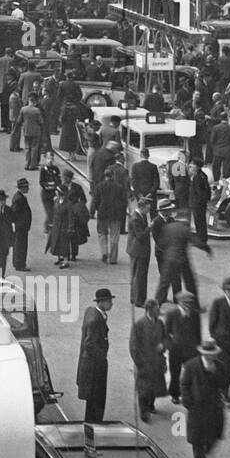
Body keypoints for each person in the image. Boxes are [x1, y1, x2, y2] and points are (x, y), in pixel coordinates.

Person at [180, 341, 226, 458]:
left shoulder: (220, 366)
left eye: (212, 355)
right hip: (197, 408)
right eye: (206, 354)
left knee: (214, 436)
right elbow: (184, 384)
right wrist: (188, 403)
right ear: (202, 353)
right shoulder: (191, 365)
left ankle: (206, 452)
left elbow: (223, 383)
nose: (209, 357)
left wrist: (215, 374)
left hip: (213, 407)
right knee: (197, 440)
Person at [77, 288, 113, 423]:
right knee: (97, 399)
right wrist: (102, 357)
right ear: (102, 302)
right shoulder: (95, 320)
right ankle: (94, 424)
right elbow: (90, 344)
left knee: (92, 400)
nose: (111, 304)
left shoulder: (91, 312)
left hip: (90, 365)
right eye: (109, 301)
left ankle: (91, 423)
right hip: (94, 367)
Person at [129, 299, 168, 422]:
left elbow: (166, 338)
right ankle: (144, 411)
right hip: (144, 362)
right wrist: (140, 363)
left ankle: (151, 405)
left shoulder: (160, 323)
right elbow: (133, 346)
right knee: (144, 389)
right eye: (157, 309)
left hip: (157, 361)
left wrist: (163, 345)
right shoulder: (139, 325)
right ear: (149, 310)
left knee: (155, 386)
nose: (159, 312)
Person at [165, 291, 202, 404]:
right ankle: (175, 394)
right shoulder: (172, 314)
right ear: (179, 303)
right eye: (185, 303)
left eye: (190, 303)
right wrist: (171, 346)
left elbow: (198, 333)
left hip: (191, 350)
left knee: (191, 374)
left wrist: (198, 349)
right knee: (175, 373)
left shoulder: (195, 315)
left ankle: (189, 394)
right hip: (176, 351)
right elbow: (166, 333)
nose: (188, 306)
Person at [89, 168, 128, 266]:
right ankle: (113, 258)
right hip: (115, 215)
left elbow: (94, 201)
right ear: (113, 175)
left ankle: (104, 252)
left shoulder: (99, 186)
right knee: (114, 237)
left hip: (102, 214)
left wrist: (92, 212)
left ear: (104, 175)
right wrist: (122, 213)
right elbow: (124, 202)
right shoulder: (119, 187)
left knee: (102, 234)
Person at [125, 197, 153, 308]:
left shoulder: (141, 215)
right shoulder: (136, 218)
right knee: (139, 276)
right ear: (141, 207)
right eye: (147, 209)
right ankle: (138, 300)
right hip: (138, 250)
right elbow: (140, 235)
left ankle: (136, 298)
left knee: (138, 275)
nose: (148, 211)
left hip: (138, 250)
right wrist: (149, 228)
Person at [10, 179, 33, 272]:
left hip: (21, 226)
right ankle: (20, 264)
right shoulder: (19, 198)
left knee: (19, 244)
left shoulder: (19, 196)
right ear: (22, 188)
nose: (28, 189)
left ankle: (18, 262)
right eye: (26, 187)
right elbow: (14, 212)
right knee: (21, 245)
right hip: (21, 226)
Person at [19, 96, 45, 170]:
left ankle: (27, 163)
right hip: (36, 132)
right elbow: (41, 121)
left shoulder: (23, 109)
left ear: (29, 101)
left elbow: (19, 120)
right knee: (34, 148)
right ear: (34, 102)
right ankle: (32, 165)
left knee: (27, 147)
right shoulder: (37, 110)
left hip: (26, 131)